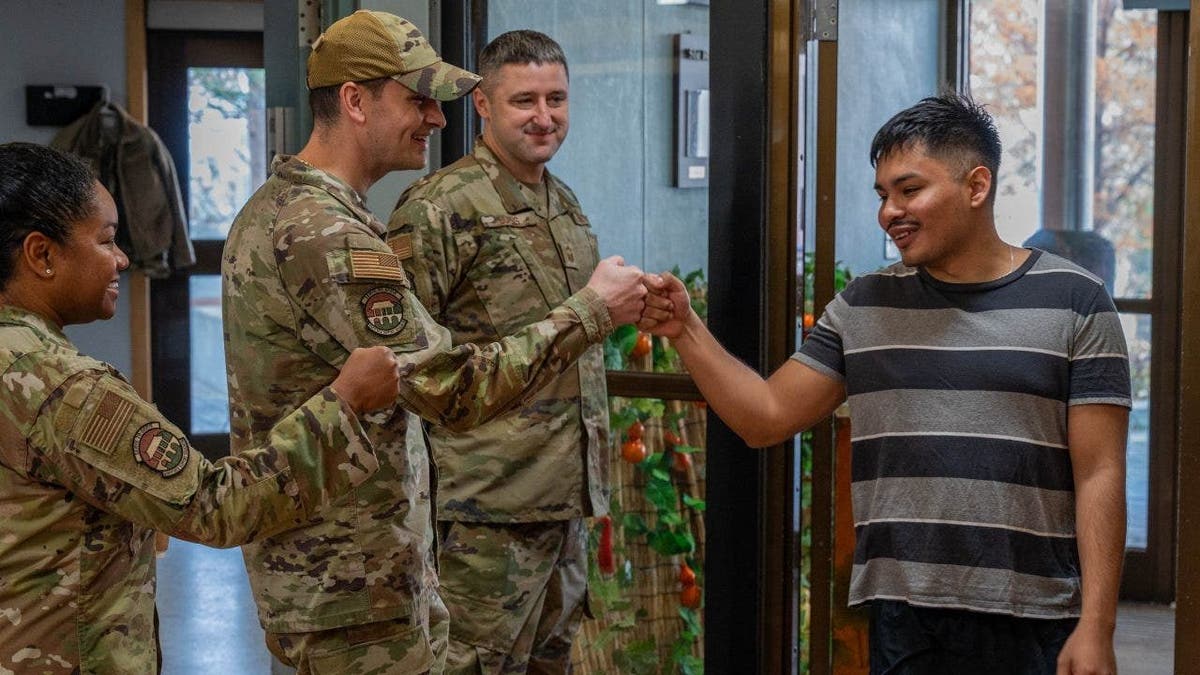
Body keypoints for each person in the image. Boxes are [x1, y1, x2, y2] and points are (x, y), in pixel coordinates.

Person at [640, 93, 1130, 675]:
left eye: (909, 189)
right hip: (903, 613)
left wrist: (1097, 625)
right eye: (882, 195)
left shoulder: (1077, 303)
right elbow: (765, 416)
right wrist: (686, 329)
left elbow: (1100, 472)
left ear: (976, 187)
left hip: (1036, 615)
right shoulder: (864, 304)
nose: (888, 211)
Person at [220, 11, 648, 674]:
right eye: (419, 100)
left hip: (366, 566)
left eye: (555, 98)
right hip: (353, 574)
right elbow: (449, 383)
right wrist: (591, 310)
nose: (438, 119)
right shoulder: (322, 230)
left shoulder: (309, 213)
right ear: (355, 101)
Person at [0, 143, 401, 673]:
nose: (121, 258)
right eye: (106, 240)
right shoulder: (61, 389)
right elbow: (214, 506)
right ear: (42, 255)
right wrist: (344, 405)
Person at [387, 30, 605, 673]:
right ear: (482, 105)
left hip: (564, 497)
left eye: (557, 99)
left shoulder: (563, 204)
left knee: (550, 661)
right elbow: (408, 367)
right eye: (525, 101)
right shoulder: (437, 208)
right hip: (485, 507)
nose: (545, 117)